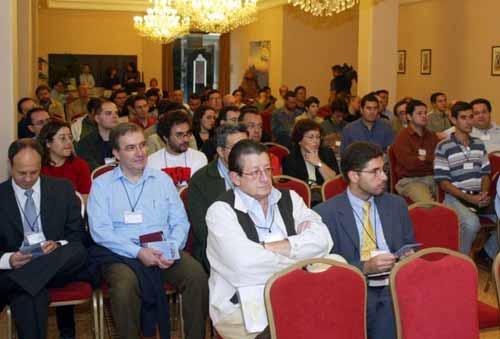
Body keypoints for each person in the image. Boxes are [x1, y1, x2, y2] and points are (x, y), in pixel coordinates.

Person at [87, 123, 208, 339]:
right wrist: (138, 252)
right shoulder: (102, 185)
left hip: (164, 249)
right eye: (131, 148)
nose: (140, 152)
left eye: (142, 145)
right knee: (124, 287)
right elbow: (100, 231)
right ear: (116, 153)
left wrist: (171, 247)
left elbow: (180, 221)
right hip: (122, 255)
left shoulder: (162, 180)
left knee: (196, 276)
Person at [207, 140, 333, 338]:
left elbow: (323, 241)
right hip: (241, 304)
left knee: (335, 275)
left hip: (295, 294)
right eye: (255, 172)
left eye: (267, 169)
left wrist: (268, 247)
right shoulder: (220, 211)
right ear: (235, 178)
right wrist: (299, 258)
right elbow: (244, 266)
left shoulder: (290, 198)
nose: (265, 178)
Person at [314, 141, 416, 339]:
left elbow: (408, 243)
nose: (384, 177)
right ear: (354, 176)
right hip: (355, 286)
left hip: (396, 280)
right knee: (383, 306)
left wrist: (407, 256)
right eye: (375, 172)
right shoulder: (326, 214)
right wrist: (365, 267)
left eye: (384, 170)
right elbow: (324, 269)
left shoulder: (397, 205)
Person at [0, 138, 87, 339]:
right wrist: (10, 259)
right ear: (10, 164)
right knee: (29, 295)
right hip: (19, 265)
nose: (29, 178)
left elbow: (77, 236)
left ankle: (13, 283)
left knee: (77, 251)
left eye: (34, 172)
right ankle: (22, 282)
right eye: (22, 173)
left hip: (57, 265)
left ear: (41, 166)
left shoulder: (62, 188)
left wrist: (57, 244)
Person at [188, 124, 248, 272]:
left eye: (246, 145)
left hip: (257, 241)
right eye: (236, 147)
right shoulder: (201, 180)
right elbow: (203, 231)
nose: (244, 152)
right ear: (221, 151)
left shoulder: (257, 171)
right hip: (217, 246)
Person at [434, 101, 492, 255]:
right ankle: (461, 260)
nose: (469, 121)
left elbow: (485, 173)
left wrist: (484, 193)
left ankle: (492, 260)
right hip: (454, 198)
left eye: (471, 117)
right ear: (453, 120)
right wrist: (468, 198)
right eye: (463, 117)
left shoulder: (479, 144)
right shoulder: (443, 146)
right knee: (472, 224)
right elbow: (443, 183)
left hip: (479, 198)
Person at [392, 99, 438, 202]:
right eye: (419, 113)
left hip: (434, 178)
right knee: (427, 205)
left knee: (452, 198)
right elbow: (410, 165)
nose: (424, 116)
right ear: (409, 117)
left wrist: (424, 158)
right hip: (411, 181)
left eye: (425, 113)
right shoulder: (402, 137)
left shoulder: (432, 136)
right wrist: (431, 160)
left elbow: (440, 160)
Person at [283, 119, 339, 204]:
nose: (315, 141)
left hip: (326, 199)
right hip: (302, 201)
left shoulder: (327, 153)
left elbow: (335, 184)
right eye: (311, 137)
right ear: (300, 140)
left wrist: (318, 163)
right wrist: (310, 188)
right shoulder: (290, 159)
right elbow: (292, 188)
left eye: (318, 137)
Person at [148, 110, 207, 188]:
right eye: (179, 135)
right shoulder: (151, 162)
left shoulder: (199, 158)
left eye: (188, 134)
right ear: (166, 137)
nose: (186, 139)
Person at [39, 120, 92, 199]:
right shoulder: (38, 167)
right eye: (62, 138)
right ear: (48, 143)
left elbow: (87, 197)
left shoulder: (80, 165)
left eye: (70, 137)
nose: (69, 142)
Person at [76, 100, 119, 171]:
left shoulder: (124, 138)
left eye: (116, 113)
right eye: (108, 113)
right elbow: (93, 169)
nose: (115, 116)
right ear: (97, 118)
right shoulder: (85, 143)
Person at [239, 106, 280, 174]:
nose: (257, 130)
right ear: (240, 127)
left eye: (260, 126)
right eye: (251, 126)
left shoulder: (270, 159)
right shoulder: (231, 156)